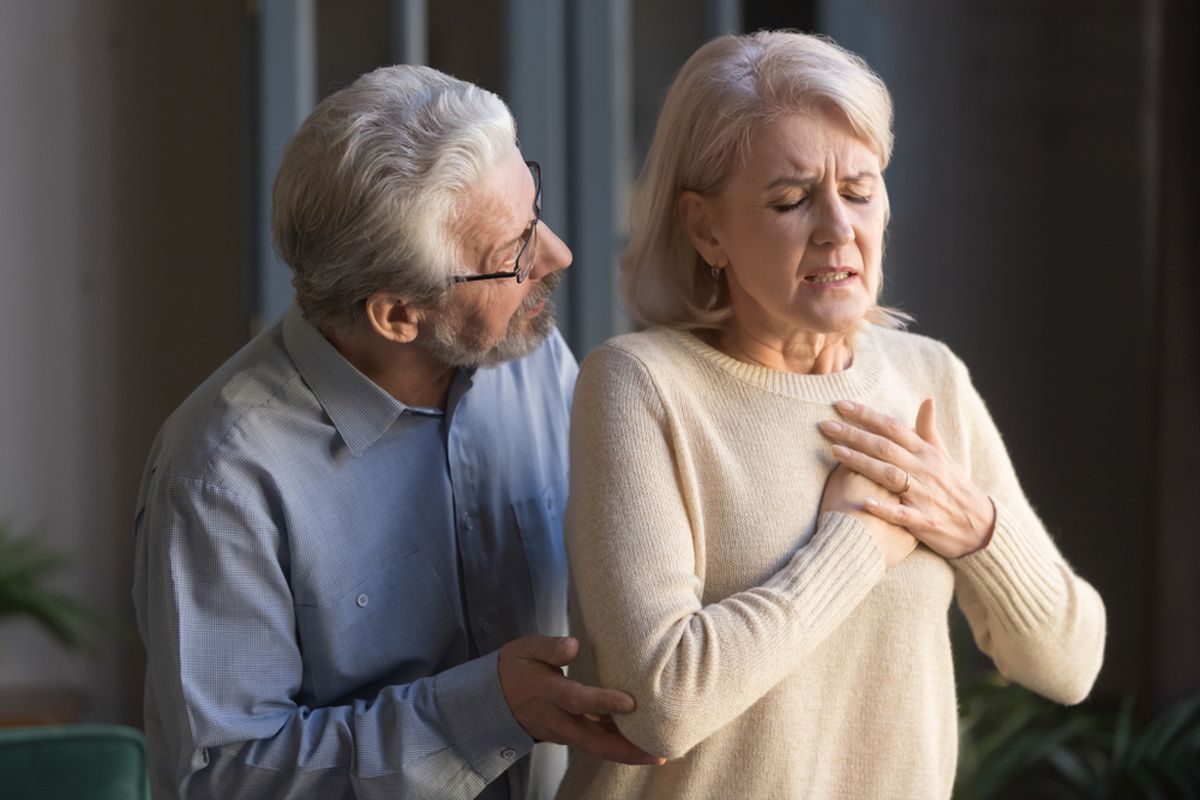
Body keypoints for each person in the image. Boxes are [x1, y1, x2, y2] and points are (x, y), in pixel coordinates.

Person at [557, 31, 1107, 799]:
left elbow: (1071, 664)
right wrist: (852, 543)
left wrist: (974, 524)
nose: (837, 228)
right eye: (790, 199)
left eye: (859, 189)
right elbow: (662, 703)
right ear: (705, 227)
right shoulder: (638, 387)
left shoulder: (929, 379)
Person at [133, 64, 659, 800]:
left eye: (533, 211)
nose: (559, 254)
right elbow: (227, 780)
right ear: (398, 315)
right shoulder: (221, 474)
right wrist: (487, 711)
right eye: (512, 253)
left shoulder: (529, 357)